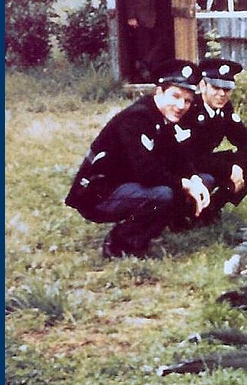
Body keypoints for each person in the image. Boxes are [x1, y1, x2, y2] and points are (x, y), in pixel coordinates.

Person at [65, 60, 212, 258]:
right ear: (159, 92)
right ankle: (117, 244)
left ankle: (142, 238)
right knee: (162, 194)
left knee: (194, 182)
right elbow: (147, 172)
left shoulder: (161, 117)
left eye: (187, 101)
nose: (181, 106)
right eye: (175, 96)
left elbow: (179, 155)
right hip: (96, 194)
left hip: (122, 184)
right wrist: (185, 184)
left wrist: (194, 179)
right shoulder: (137, 118)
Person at [179, 57, 247, 225]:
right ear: (203, 86)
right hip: (184, 167)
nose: (222, 94)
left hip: (205, 162)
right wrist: (228, 168)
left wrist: (237, 166)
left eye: (227, 89)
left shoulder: (225, 108)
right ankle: (184, 216)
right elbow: (188, 156)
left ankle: (213, 207)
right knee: (206, 179)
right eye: (215, 87)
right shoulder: (189, 108)